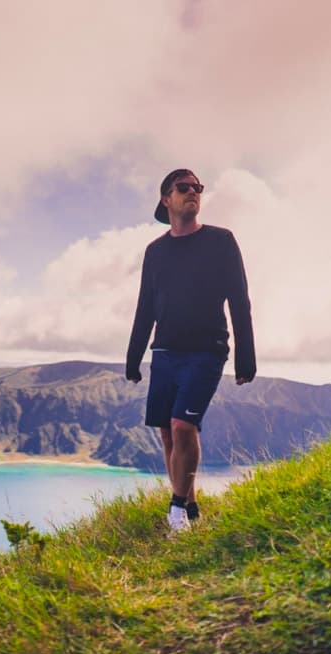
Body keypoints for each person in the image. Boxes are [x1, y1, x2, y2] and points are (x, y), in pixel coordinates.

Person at [125, 168, 256, 533]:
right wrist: (133, 358)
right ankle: (192, 507)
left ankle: (177, 510)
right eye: (184, 188)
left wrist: (246, 357)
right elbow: (145, 307)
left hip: (207, 350)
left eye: (198, 187)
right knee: (167, 432)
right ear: (166, 199)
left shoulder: (221, 242)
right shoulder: (155, 252)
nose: (193, 192)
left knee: (184, 427)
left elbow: (239, 301)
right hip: (165, 352)